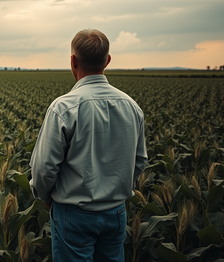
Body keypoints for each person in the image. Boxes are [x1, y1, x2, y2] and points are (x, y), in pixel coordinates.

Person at [29, 29, 148, 261]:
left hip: (74, 214)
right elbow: (140, 161)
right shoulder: (132, 107)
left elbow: (44, 168)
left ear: (73, 61)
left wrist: (45, 197)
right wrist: (117, 190)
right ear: (108, 60)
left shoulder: (63, 108)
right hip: (116, 213)